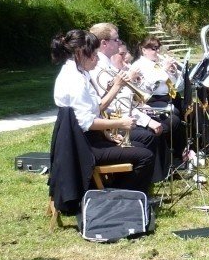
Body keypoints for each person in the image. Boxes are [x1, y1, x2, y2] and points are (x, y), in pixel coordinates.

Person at [51, 29, 154, 193]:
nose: (97, 58)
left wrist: (109, 134)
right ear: (80, 53)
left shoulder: (80, 73)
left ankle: (119, 191)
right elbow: (87, 123)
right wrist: (121, 122)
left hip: (87, 139)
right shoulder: (74, 79)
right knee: (145, 156)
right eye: (94, 53)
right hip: (82, 146)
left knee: (139, 145)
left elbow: (95, 109)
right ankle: (120, 198)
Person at [132, 36, 188, 167]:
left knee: (189, 109)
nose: (157, 52)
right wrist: (164, 69)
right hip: (152, 100)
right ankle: (177, 158)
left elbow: (175, 85)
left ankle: (186, 151)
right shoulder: (139, 66)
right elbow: (151, 86)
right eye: (153, 49)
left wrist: (173, 73)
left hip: (168, 96)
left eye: (158, 48)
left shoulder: (157, 64)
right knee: (174, 119)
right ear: (143, 50)